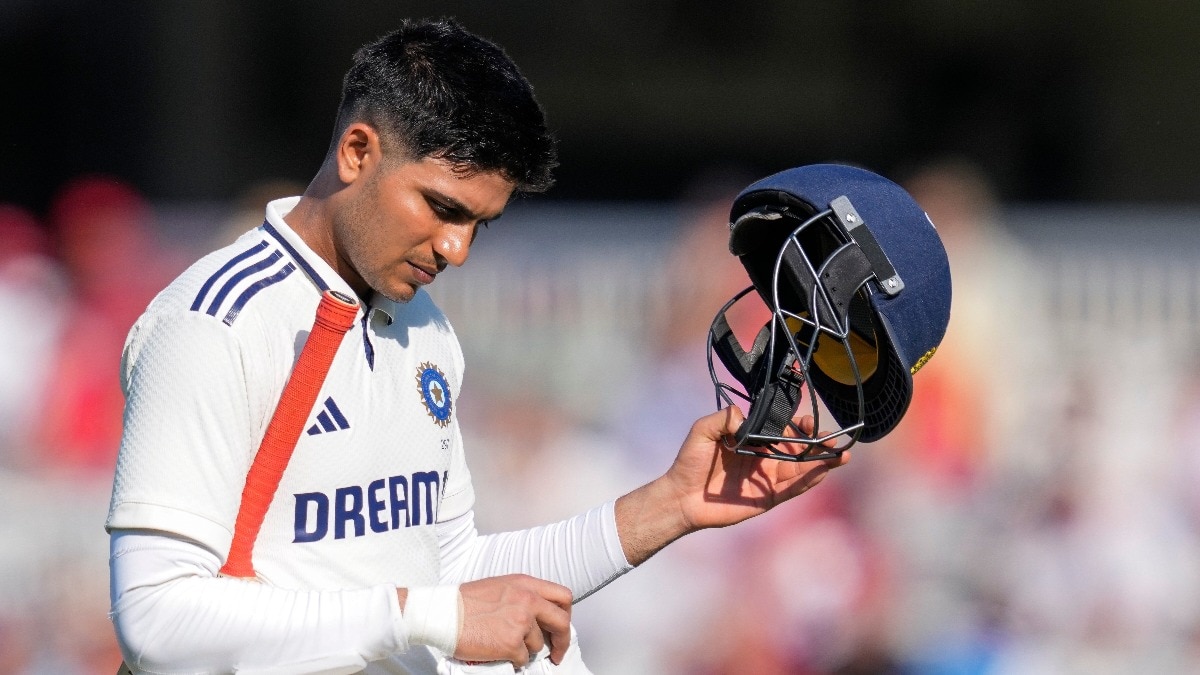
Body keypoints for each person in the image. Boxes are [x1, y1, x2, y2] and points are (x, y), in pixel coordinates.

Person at [105, 18, 848, 674]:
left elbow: (452, 570)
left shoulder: (424, 327)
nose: (456, 249)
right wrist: (428, 616)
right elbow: (156, 621)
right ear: (358, 151)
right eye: (441, 207)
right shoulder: (215, 324)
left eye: (478, 225)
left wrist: (673, 504)